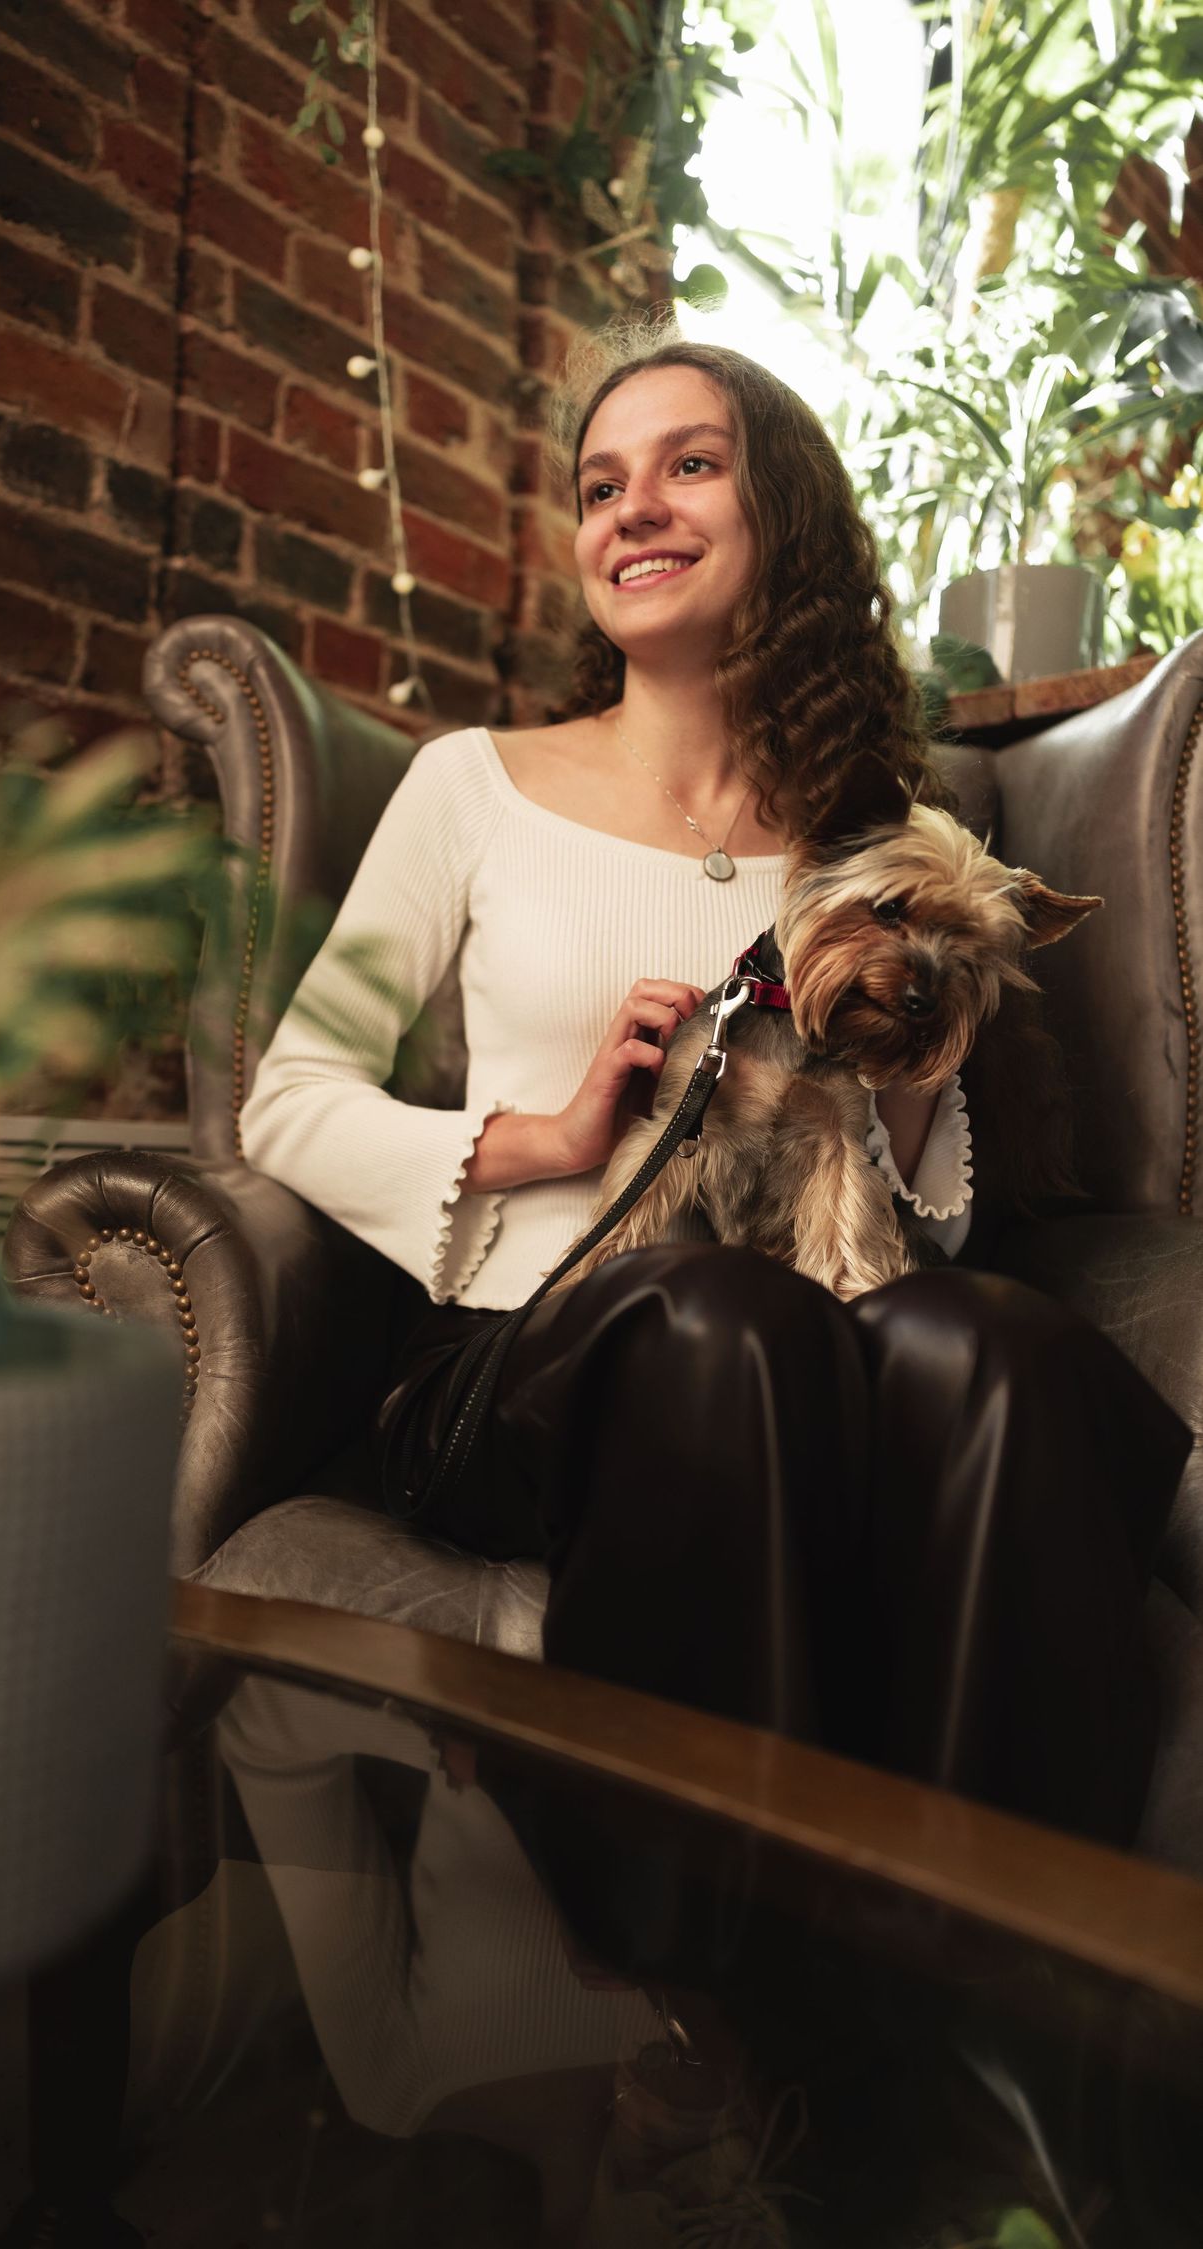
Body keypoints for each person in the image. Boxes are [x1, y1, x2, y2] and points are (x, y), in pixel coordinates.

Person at [239, 319, 1189, 1857]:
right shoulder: (468, 787)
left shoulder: (870, 840)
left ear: (785, 521)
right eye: (604, 485)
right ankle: (691, 1987)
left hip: (827, 1341)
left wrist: (886, 1070)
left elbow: (921, 1225)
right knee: (719, 1317)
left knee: (1004, 1345)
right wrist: (537, 1135)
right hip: (520, 1365)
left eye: (691, 465)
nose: (637, 509)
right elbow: (287, 1092)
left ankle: (980, 1967)